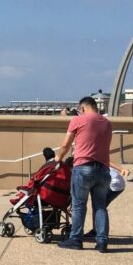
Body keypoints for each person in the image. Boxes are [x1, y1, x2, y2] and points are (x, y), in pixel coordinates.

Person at [55, 96, 113, 253]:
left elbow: (65, 144)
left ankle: (76, 239)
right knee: (100, 206)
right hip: (103, 169)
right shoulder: (107, 123)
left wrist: (58, 158)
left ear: (82, 108)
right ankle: (102, 242)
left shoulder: (78, 120)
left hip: (83, 168)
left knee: (79, 205)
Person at [86, 162, 129, 237]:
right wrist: (122, 169)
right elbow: (108, 161)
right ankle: (98, 231)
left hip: (114, 184)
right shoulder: (98, 157)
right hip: (118, 182)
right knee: (100, 206)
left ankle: (97, 231)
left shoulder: (88, 164)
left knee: (99, 207)